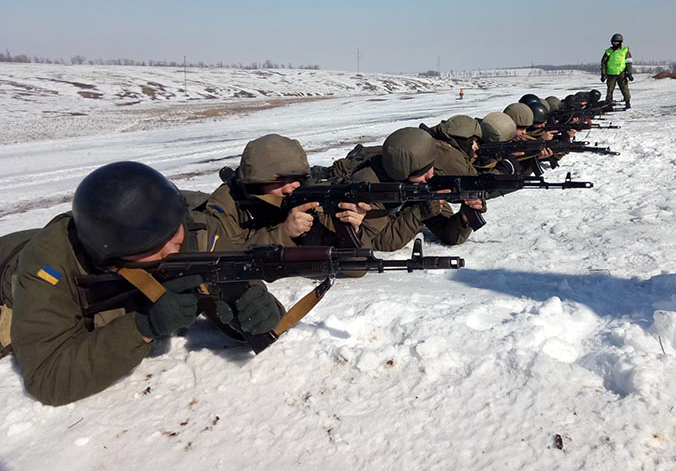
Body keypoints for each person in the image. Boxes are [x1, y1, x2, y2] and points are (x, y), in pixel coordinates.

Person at [1, 162, 282, 406]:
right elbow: (49, 378)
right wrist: (142, 326)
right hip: (11, 262)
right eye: (152, 246)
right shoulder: (48, 266)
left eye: (173, 233)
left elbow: (249, 289)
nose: (173, 251)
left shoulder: (194, 225)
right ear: (111, 258)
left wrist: (254, 310)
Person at [204, 134, 370, 249]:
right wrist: (284, 233)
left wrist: (352, 231)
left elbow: (354, 268)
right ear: (255, 184)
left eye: (295, 180)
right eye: (279, 182)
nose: (289, 188)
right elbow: (227, 265)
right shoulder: (224, 207)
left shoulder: (306, 199)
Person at [331, 128, 481, 251]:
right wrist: (418, 213)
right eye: (423, 171)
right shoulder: (369, 185)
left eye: (432, 167)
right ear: (404, 173)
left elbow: (448, 233)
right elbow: (381, 240)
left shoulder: (417, 183)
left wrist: (464, 217)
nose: (431, 175)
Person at [600, 33, 633, 108]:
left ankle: (627, 102)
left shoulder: (625, 50)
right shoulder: (608, 51)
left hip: (622, 72)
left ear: (620, 42)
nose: (615, 43)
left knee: (624, 88)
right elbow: (603, 63)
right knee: (610, 89)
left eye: (616, 42)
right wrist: (603, 74)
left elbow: (629, 62)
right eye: (613, 42)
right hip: (611, 73)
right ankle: (608, 103)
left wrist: (629, 73)